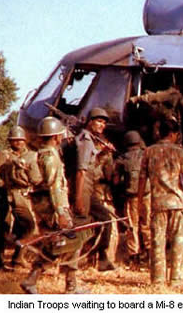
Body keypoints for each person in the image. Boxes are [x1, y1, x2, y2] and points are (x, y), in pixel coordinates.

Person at [21, 117, 86, 294]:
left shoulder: (40, 154)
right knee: (70, 243)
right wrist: (61, 213)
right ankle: (69, 285)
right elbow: (54, 186)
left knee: (56, 244)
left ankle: (35, 280)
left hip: (43, 207)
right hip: (54, 208)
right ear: (57, 137)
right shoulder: (51, 157)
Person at [138, 119, 183, 286]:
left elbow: (142, 179)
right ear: (173, 134)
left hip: (158, 203)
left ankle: (158, 280)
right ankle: (176, 280)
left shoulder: (148, 151)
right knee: (178, 241)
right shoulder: (180, 152)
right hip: (178, 202)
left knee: (157, 242)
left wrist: (140, 200)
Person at [73, 107, 119, 271]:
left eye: (104, 122)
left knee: (105, 219)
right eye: (99, 121)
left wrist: (104, 154)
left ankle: (102, 258)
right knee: (79, 228)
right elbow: (81, 171)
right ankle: (67, 265)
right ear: (90, 122)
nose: (102, 125)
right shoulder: (86, 140)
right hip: (83, 188)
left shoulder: (92, 140)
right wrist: (78, 198)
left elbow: (94, 168)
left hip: (89, 189)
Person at [0, 125, 41, 270]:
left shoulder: (31, 155)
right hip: (6, 195)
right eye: (14, 140)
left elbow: (35, 176)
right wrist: (1, 186)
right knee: (3, 229)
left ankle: (18, 257)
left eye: (20, 140)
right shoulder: (4, 155)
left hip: (23, 196)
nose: (18, 143)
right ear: (10, 141)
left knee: (28, 226)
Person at [114, 130, 149, 268]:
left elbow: (115, 180)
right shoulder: (147, 155)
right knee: (146, 224)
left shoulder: (122, 159)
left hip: (132, 198)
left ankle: (134, 257)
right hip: (147, 196)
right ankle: (149, 253)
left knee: (132, 227)